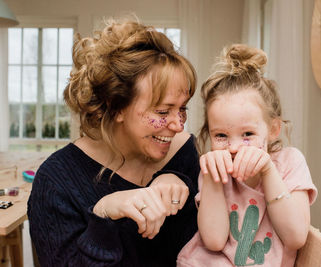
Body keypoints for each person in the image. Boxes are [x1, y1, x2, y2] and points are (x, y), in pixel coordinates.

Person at [27, 19, 200, 267]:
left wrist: (182, 180)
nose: (178, 125)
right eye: (163, 112)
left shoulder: (185, 154)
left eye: (181, 109)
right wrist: (103, 215)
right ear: (115, 106)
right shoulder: (55, 183)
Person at [177, 44, 317, 267]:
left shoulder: (290, 162)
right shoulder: (213, 168)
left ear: (273, 130)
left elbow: (296, 237)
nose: (233, 147)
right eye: (221, 135)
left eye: (248, 134)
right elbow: (213, 241)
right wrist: (213, 179)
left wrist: (268, 171)